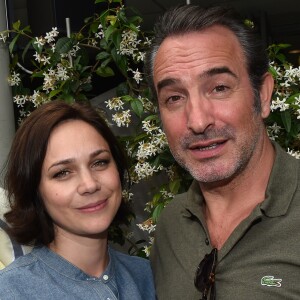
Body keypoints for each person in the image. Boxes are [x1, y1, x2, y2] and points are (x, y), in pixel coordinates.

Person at [145, 4, 300, 300]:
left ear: (263, 95)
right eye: (174, 97)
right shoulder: (172, 224)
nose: (198, 121)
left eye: (218, 88)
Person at [0, 100, 155, 299]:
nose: (90, 184)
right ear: (34, 190)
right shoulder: (11, 291)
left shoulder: (148, 276)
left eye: (100, 162)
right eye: (63, 173)